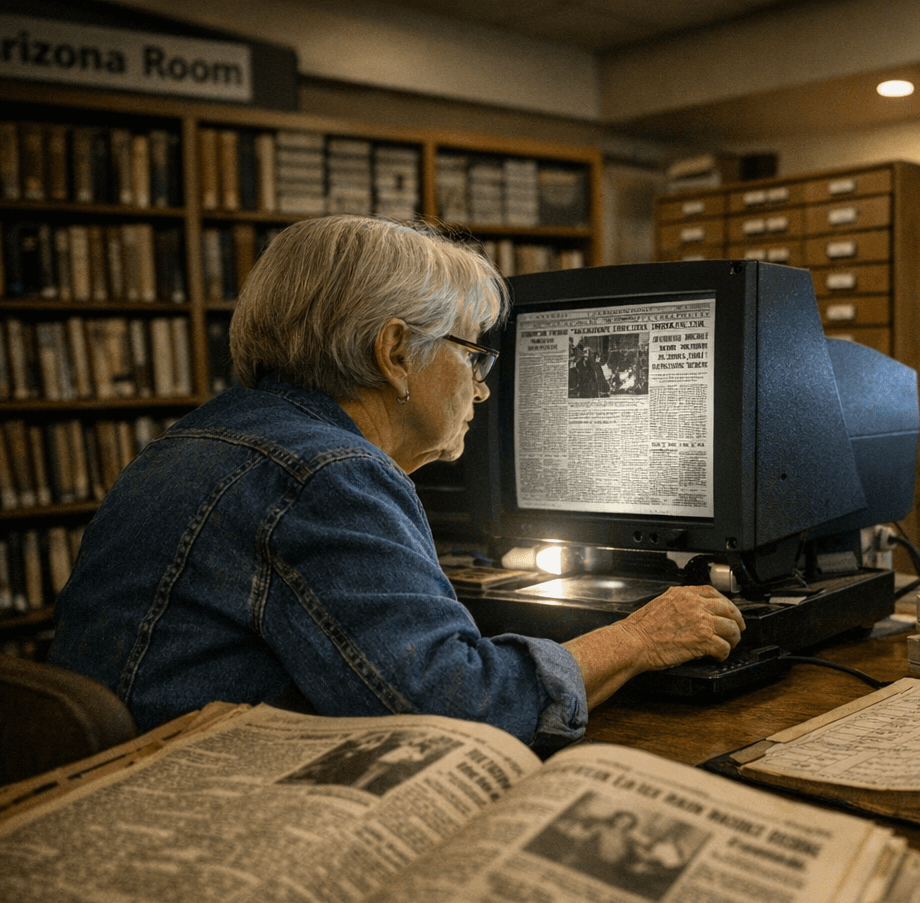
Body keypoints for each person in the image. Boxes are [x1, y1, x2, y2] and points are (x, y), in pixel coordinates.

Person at [48, 215, 745, 745]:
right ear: (394, 353)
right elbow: (456, 710)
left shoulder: (203, 437)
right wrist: (639, 639)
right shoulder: (328, 475)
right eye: (472, 354)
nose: (482, 387)